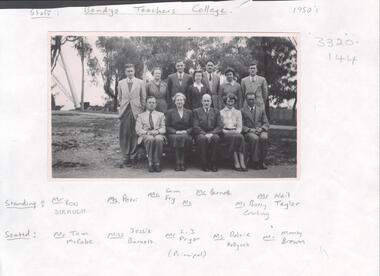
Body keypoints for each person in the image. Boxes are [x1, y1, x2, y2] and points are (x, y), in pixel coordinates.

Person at [118, 63, 146, 167]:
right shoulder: (121, 83)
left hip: (137, 111)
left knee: (135, 133)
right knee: (124, 134)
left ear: (134, 72)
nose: (130, 73)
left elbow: (143, 97)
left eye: (131, 71)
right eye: (128, 71)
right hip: (125, 111)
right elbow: (120, 98)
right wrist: (123, 106)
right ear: (125, 72)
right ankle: (126, 156)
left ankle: (134, 156)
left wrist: (141, 109)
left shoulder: (140, 82)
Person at [135, 96, 166, 172]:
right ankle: (150, 162)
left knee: (158, 139)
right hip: (146, 135)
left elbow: (163, 128)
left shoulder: (161, 115)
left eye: (153, 103)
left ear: (156, 104)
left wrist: (157, 132)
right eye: (149, 102)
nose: (151, 104)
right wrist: (148, 132)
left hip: (158, 134)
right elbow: (138, 129)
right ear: (146, 104)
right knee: (150, 138)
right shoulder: (140, 116)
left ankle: (157, 163)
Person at [193, 94, 223, 172]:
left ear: (211, 102)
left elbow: (220, 125)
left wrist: (212, 133)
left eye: (208, 101)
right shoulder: (196, 111)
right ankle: (204, 163)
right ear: (201, 102)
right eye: (205, 101)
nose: (206, 103)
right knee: (202, 139)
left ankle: (214, 163)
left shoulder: (216, 111)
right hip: (201, 133)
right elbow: (195, 126)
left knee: (216, 138)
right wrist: (204, 134)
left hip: (213, 132)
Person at [165, 93, 193, 171]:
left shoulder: (189, 112)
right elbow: (167, 126)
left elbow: (192, 126)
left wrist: (186, 131)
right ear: (175, 102)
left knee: (183, 138)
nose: (179, 102)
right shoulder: (170, 112)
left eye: (181, 100)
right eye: (177, 100)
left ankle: (182, 162)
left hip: (185, 133)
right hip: (174, 134)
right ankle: (178, 162)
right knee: (178, 138)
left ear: (184, 101)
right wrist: (175, 132)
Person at [220, 93, 247, 171]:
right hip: (225, 132)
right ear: (225, 101)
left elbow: (239, 126)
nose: (230, 103)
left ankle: (242, 161)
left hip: (235, 131)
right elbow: (220, 126)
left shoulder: (238, 112)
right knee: (235, 138)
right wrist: (225, 132)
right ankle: (236, 161)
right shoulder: (221, 112)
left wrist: (236, 132)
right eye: (229, 101)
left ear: (234, 102)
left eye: (232, 101)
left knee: (240, 137)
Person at [241, 93, 269, 170]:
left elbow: (266, 123)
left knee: (264, 137)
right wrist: (250, 129)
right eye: (249, 99)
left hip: (260, 130)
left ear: (255, 99)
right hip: (249, 131)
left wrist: (262, 129)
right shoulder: (242, 111)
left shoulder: (261, 109)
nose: (251, 101)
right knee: (255, 138)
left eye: (252, 99)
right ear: (246, 100)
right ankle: (255, 162)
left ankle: (262, 161)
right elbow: (241, 125)